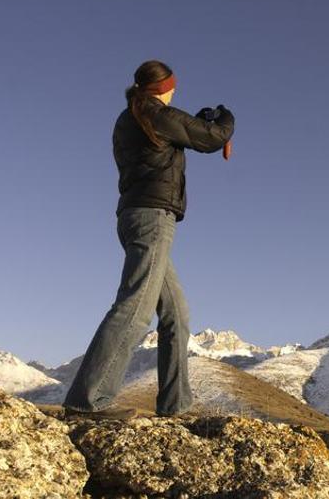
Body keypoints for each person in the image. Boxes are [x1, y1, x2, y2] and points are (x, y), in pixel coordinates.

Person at [62, 60, 235, 419]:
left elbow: (180, 133)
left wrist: (196, 122)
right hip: (152, 219)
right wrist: (225, 118)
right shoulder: (157, 114)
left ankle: (176, 406)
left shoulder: (132, 116)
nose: (175, 91)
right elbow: (211, 137)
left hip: (133, 217)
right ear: (163, 88)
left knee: (176, 314)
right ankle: (86, 402)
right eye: (172, 87)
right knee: (135, 308)